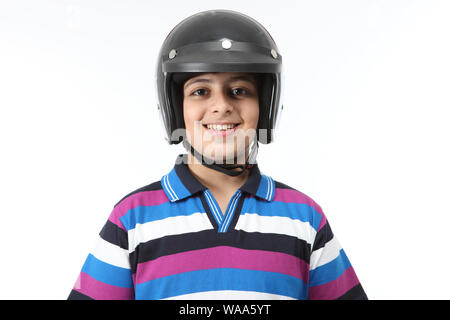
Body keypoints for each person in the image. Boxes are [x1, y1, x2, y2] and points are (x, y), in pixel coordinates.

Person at [68, 9, 368, 300]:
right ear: (175, 108)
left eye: (239, 90)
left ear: (264, 106)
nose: (221, 106)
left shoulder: (304, 218)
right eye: (200, 91)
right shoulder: (132, 218)